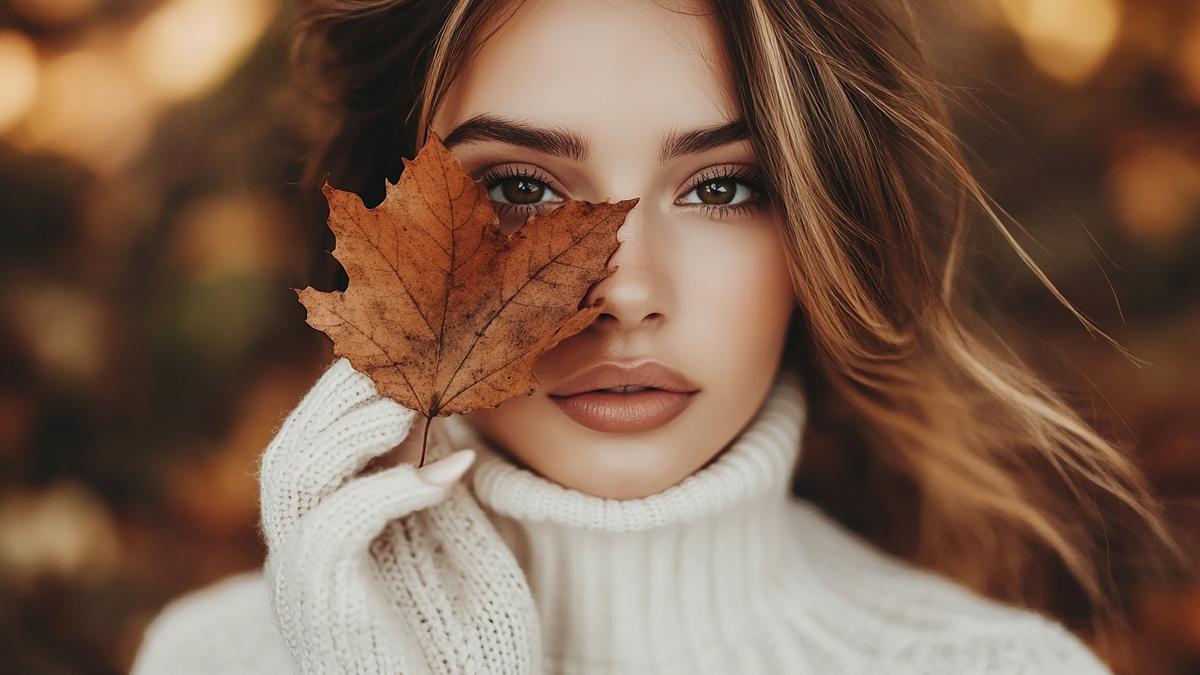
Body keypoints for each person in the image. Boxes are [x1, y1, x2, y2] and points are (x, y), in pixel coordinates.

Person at [130, 0, 1182, 672]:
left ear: (825, 231)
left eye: (723, 186)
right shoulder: (213, 658)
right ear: (382, 231)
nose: (625, 293)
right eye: (520, 188)